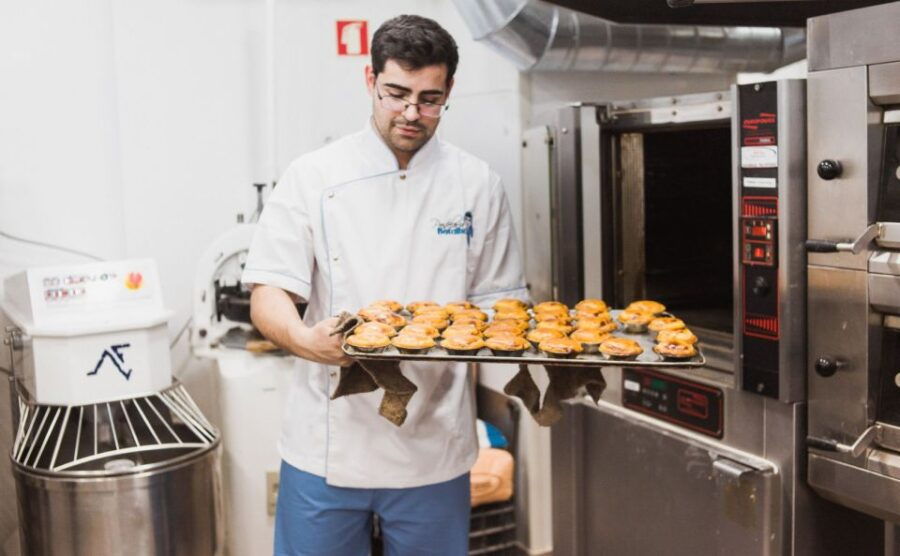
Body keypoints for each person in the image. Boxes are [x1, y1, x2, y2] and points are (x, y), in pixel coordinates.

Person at [241, 14, 527, 556]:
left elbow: (500, 300)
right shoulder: (315, 176)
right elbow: (269, 292)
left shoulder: (476, 185)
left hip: (433, 444)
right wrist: (305, 342)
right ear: (370, 81)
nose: (412, 113)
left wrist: (533, 365)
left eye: (430, 98)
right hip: (327, 444)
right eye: (396, 94)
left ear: (449, 92)